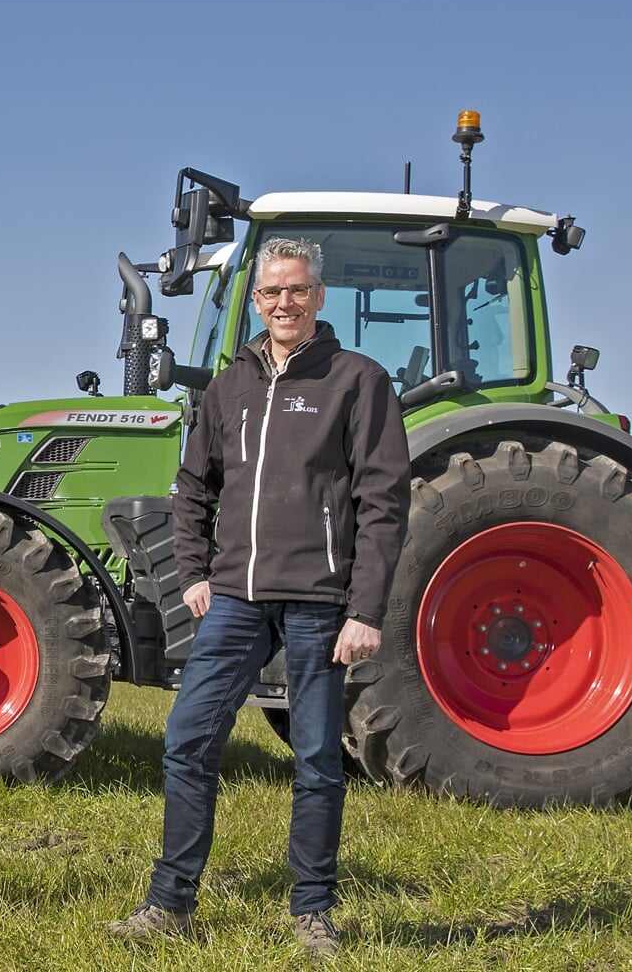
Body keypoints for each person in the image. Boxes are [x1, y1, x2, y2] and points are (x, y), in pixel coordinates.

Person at [107, 236, 409, 958]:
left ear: (318, 297)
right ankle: (170, 902)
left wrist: (364, 610)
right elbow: (193, 490)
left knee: (314, 758)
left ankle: (312, 911)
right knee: (187, 740)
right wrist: (195, 574)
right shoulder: (228, 387)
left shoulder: (356, 380)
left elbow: (382, 501)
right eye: (271, 292)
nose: (283, 303)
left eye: (296, 290)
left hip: (317, 602)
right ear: (257, 300)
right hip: (235, 597)